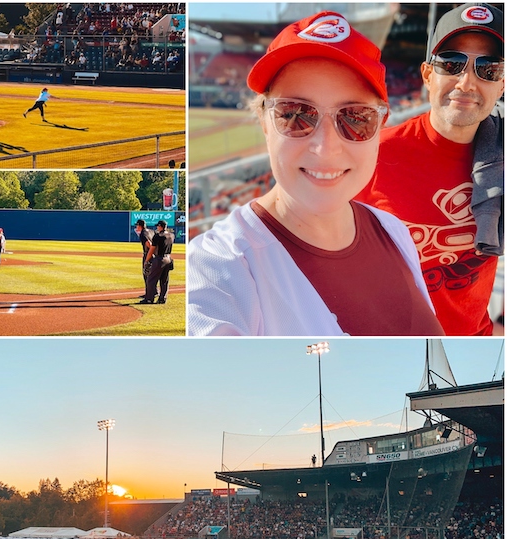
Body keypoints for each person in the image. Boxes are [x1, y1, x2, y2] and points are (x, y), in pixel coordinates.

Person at [187, 11, 443, 337]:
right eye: (295, 114)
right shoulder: (217, 266)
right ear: (265, 122)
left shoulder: (394, 232)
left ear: (381, 125)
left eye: (355, 117)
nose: (325, 148)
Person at [359, 3, 504, 336]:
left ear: (502, 84)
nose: (467, 82)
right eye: (452, 64)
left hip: (473, 337)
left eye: (489, 69)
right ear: (427, 75)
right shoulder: (374, 154)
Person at [140, 221, 174, 304]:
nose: (157, 228)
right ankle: (162, 298)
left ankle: (149, 299)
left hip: (159, 259)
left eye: (158, 226)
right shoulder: (171, 235)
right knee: (164, 280)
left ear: (160, 226)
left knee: (151, 279)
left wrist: (147, 260)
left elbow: (152, 249)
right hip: (168, 258)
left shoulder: (158, 236)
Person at [134, 219, 153, 292]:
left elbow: (149, 244)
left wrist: (150, 255)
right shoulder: (151, 231)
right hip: (154, 255)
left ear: (140, 225)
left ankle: (150, 293)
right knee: (151, 275)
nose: (136, 227)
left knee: (147, 274)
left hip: (148, 255)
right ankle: (153, 292)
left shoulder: (143, 233)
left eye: (137, 225)